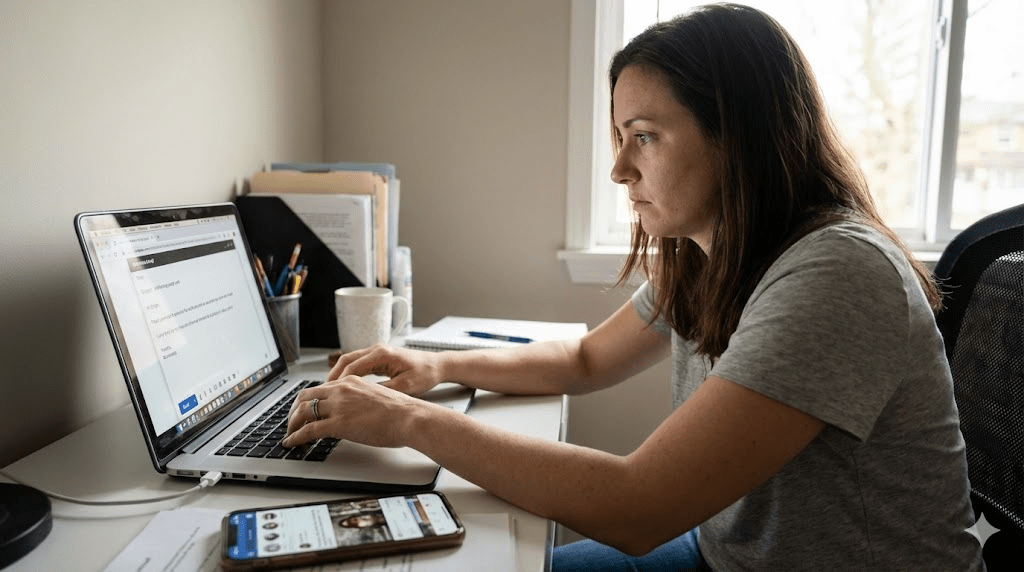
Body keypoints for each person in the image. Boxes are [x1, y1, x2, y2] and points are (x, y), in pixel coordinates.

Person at [282, 3, 984, 570]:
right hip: (725, 553)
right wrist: (433, 367)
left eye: (644, 135)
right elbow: (584, 360)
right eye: (620, 135)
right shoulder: (710, 252)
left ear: (738, 137)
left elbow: (639, 508)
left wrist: (409, 422)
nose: (619, 169)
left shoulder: (836, 274)